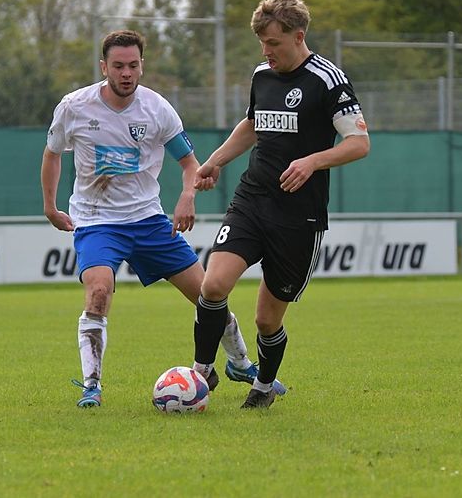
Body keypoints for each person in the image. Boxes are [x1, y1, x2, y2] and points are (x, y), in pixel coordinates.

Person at [41, 30, 284, 408]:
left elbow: (189, 163)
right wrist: (50, 206)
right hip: (97, 220)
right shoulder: (74, 106)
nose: (126, 73)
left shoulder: (157, 109)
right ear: (104, 67)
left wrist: (187, 196)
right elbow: (53, 154)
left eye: (132, 65)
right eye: (118, 66)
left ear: (142, 66)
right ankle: (92, 386)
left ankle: (240, 363)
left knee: (209, 295)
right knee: (99, 292)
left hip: (148, 220)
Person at [191, 0, 371, 409]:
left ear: (298, 36)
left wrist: (312, 161)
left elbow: (359, 143)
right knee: (213, 285)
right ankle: (200, 373)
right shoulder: (263, 75)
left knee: (266, 320)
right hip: (252, 199)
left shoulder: (328, 80)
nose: (265, 52)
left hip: (298, 216)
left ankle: (264, 386)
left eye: (273, 43)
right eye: (261, 43)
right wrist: (215, 161)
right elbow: (253, 123)